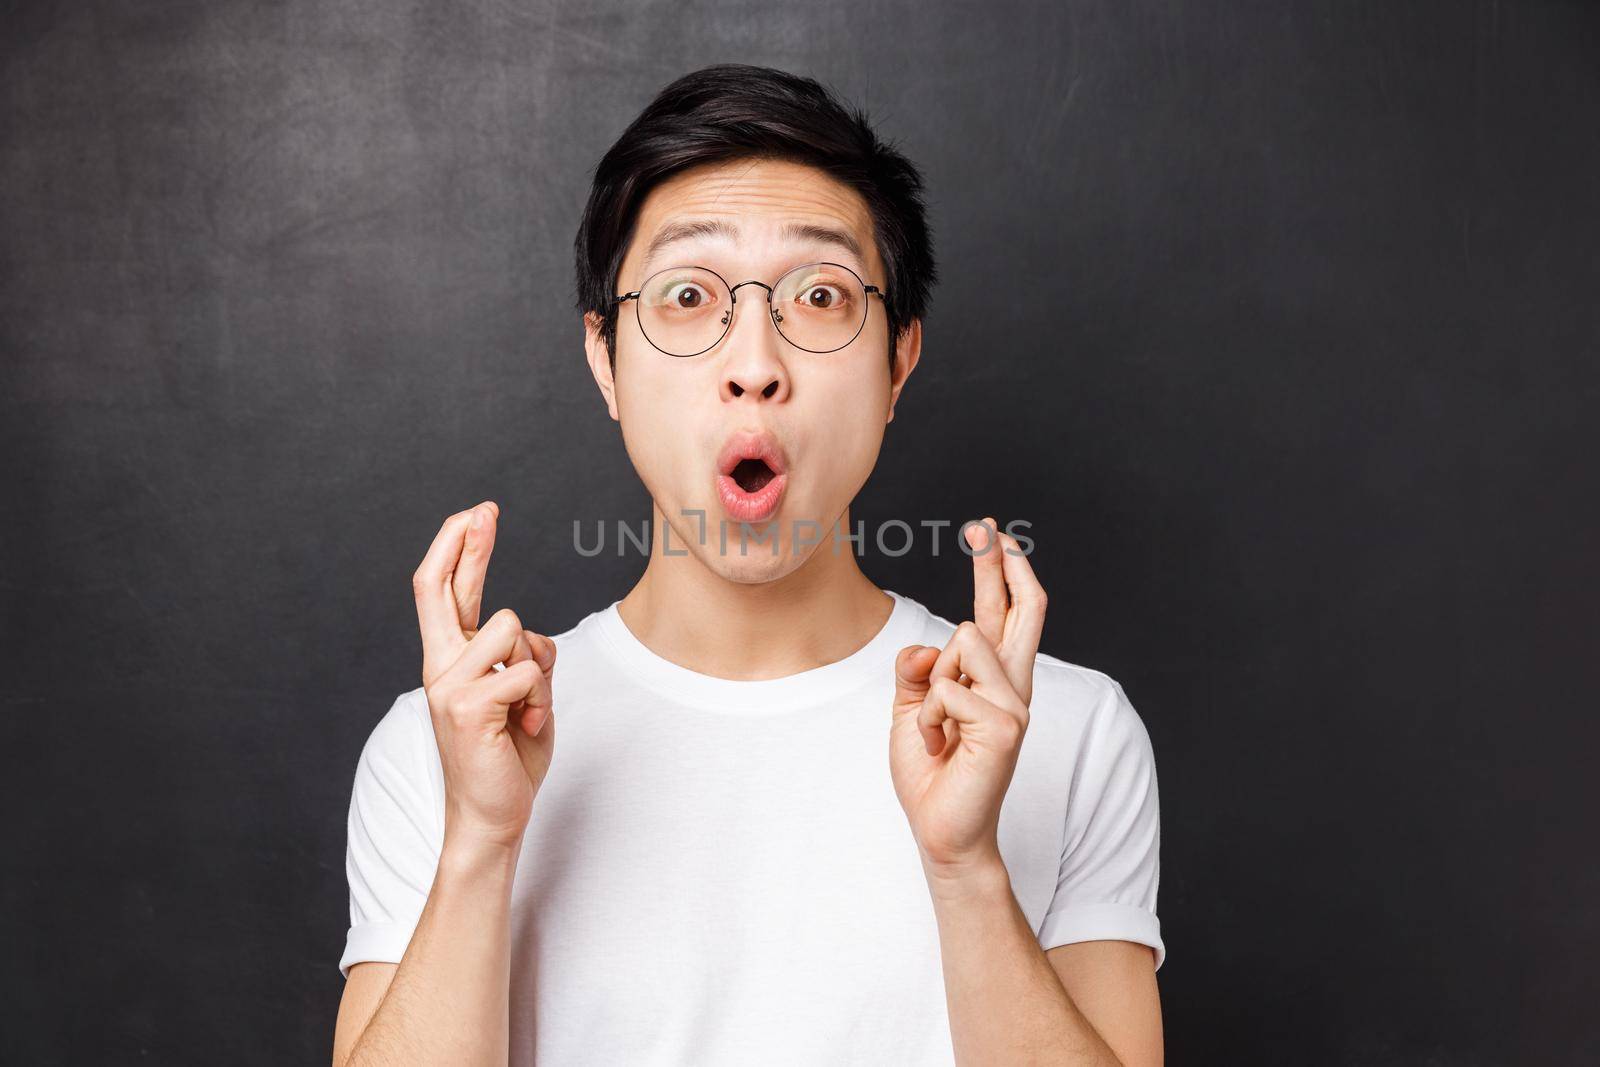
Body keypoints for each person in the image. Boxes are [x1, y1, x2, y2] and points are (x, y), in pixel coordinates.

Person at [331, 63, 1164, 1066]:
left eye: (819, 294)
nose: (754, 361)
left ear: (898, 359)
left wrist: (965, 867)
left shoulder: (1065, 731)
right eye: (688, 295)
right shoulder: (449, 747)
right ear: (606, 360)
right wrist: (480, 841)